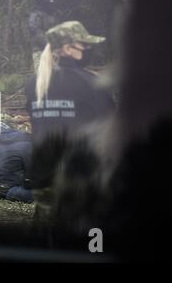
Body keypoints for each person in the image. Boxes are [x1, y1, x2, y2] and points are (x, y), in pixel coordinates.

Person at [25, 21, 114, 221]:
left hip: (43, 179)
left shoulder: (34, 84)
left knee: (44, 240)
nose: (88, 50)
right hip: (80, 181)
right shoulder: (92, 83)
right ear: (67, 48)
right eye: (85, 46)